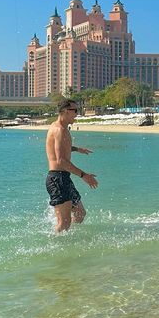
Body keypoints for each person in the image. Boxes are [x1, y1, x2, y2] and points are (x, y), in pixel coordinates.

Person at [46, 99, 97, 231]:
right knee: (64, 222)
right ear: (65, 111)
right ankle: (56, 240)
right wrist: (84, 176)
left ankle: (66, 237)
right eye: (75, 110)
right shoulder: (59, 130)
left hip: (63, 178)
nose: (76, 114)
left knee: (80, 213)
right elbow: (61, 161)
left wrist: (76, 149)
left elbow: (60, 147)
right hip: (57, 179)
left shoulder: (59, 127)